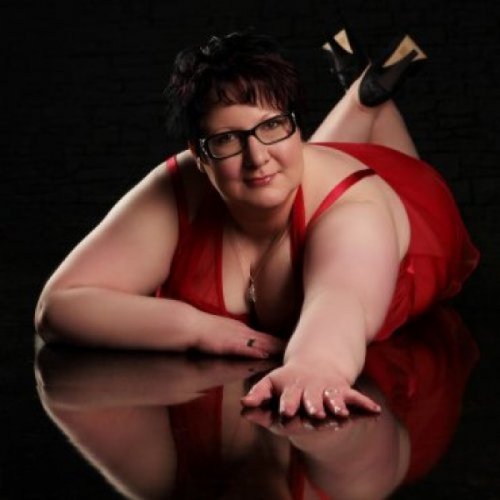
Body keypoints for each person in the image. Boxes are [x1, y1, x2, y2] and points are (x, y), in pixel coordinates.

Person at [34, 30, 479, 419]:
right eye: (227, 138)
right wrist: (195, 329)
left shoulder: (357, 211)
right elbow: (59, 307)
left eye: (274, 124)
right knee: (277, 170)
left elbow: (341, 298)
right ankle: (365, 91)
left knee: (342, 171)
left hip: (406, 207)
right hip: (312, 170)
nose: (256, 156)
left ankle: (364, 95)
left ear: (295, 125)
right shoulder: (181, 183)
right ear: (198, 153)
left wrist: (316, 365)